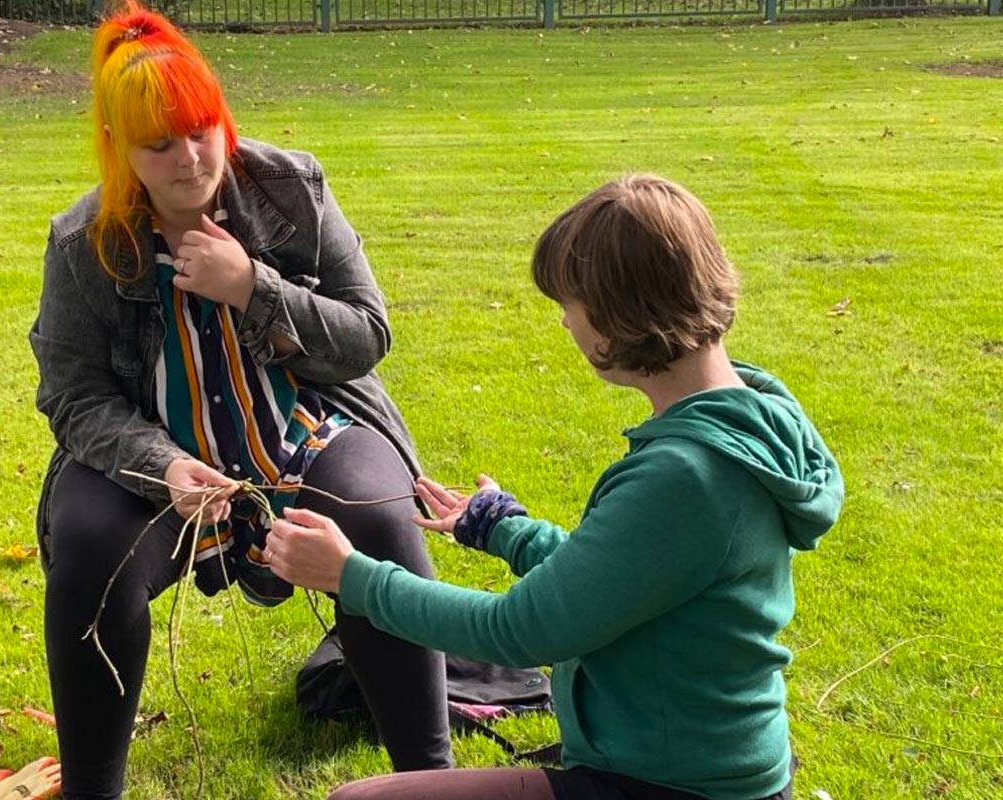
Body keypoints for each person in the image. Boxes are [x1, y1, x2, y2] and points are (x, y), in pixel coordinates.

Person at [265, 174, 845, 800]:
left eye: (571, 303)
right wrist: (503, 528)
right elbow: (620, 575)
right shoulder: (745, 411)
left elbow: (519, 631)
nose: (566, 322)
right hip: (691, 767)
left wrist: (352, 575)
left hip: (677, 787)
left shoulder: (691, 474)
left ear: (621, 315)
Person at [28, 3, 452, 796]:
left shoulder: (291, 189)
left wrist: (254, 287)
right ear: (121, 150)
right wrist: (162, 466)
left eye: (203, 130)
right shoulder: (82, 243)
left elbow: (366, 336)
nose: (192, 159)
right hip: (154, 451)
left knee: (378, 520)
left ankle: (429, 780)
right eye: (161, 145)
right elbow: (73, 395)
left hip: (305, 425)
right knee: (90, 549)